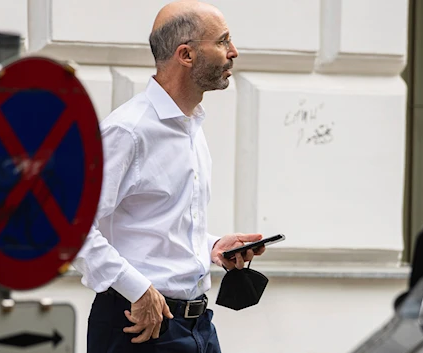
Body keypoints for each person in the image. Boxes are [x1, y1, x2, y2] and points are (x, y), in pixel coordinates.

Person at [73, 1, 265, 352]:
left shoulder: (192, 125)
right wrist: (137, 288)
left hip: (199, 325)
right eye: (223, 42)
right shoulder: (127, 131)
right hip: (139, 325)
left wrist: (211, 247)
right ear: (186, 55)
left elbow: (155, 225)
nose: (233, 52)